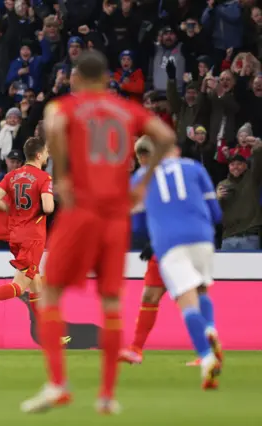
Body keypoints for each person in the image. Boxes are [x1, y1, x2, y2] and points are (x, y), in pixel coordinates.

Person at [22, 51, 176, 415]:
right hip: (117, 215)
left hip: (82, 211)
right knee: (110, 302)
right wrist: (143, 182)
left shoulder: (65, 107)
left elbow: (54, 128)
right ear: (107, 78)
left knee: (51, 293)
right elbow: (166, 137)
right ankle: (107, 396)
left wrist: (63, 178)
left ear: (76, 78)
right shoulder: (128, 110)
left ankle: (58, 383)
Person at [131, 146, 223, 390]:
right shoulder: (194, 167)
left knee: (186, 300)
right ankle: (211, 329)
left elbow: (137, 226)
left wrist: (155, 234)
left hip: (168, 244)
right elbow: (216, 213)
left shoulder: (141, 177)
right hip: (202, 237)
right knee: (201, 290)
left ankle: (206, 357)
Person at [119, 137, 198, 366]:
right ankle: (136, 349)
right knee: (150, 296)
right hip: (161, 247)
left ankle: (207, 352)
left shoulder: (162, 178)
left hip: (178, 245)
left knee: (189, 298)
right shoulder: (152, 179)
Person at [0, 138, 54, 328]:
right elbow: (48, 207)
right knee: (19, 286)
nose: (47, 155)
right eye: (46, 152)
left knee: (36, 285)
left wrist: (12, 210)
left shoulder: (12, 175)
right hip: (33, 238)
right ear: (38, 155)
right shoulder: (44, 178)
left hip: (15, 236)